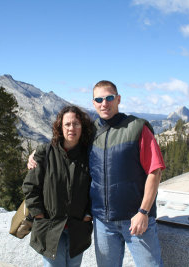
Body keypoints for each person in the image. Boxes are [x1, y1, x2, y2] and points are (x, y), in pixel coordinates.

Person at [28, 81, 166, 267]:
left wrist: (143, 211)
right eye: (99, 99)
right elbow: (67, 150)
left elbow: (155, 171)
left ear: (118, 99)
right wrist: (36, 154)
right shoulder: (90, 133)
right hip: (103, 222)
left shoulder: (137, 128)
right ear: (93, 103)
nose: (104, 103)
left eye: (109, 98)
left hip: (135, 219)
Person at [22, 105, 94, 267]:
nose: (71, 128)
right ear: (60, 127)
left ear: (82, 127)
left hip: (78, 229)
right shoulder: (45, 152)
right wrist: (39, 216)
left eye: (76, 124)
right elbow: (30, 187)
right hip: (50, 228)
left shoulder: (89, 156)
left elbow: (95, 189)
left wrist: (88, 214)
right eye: (67, 124)